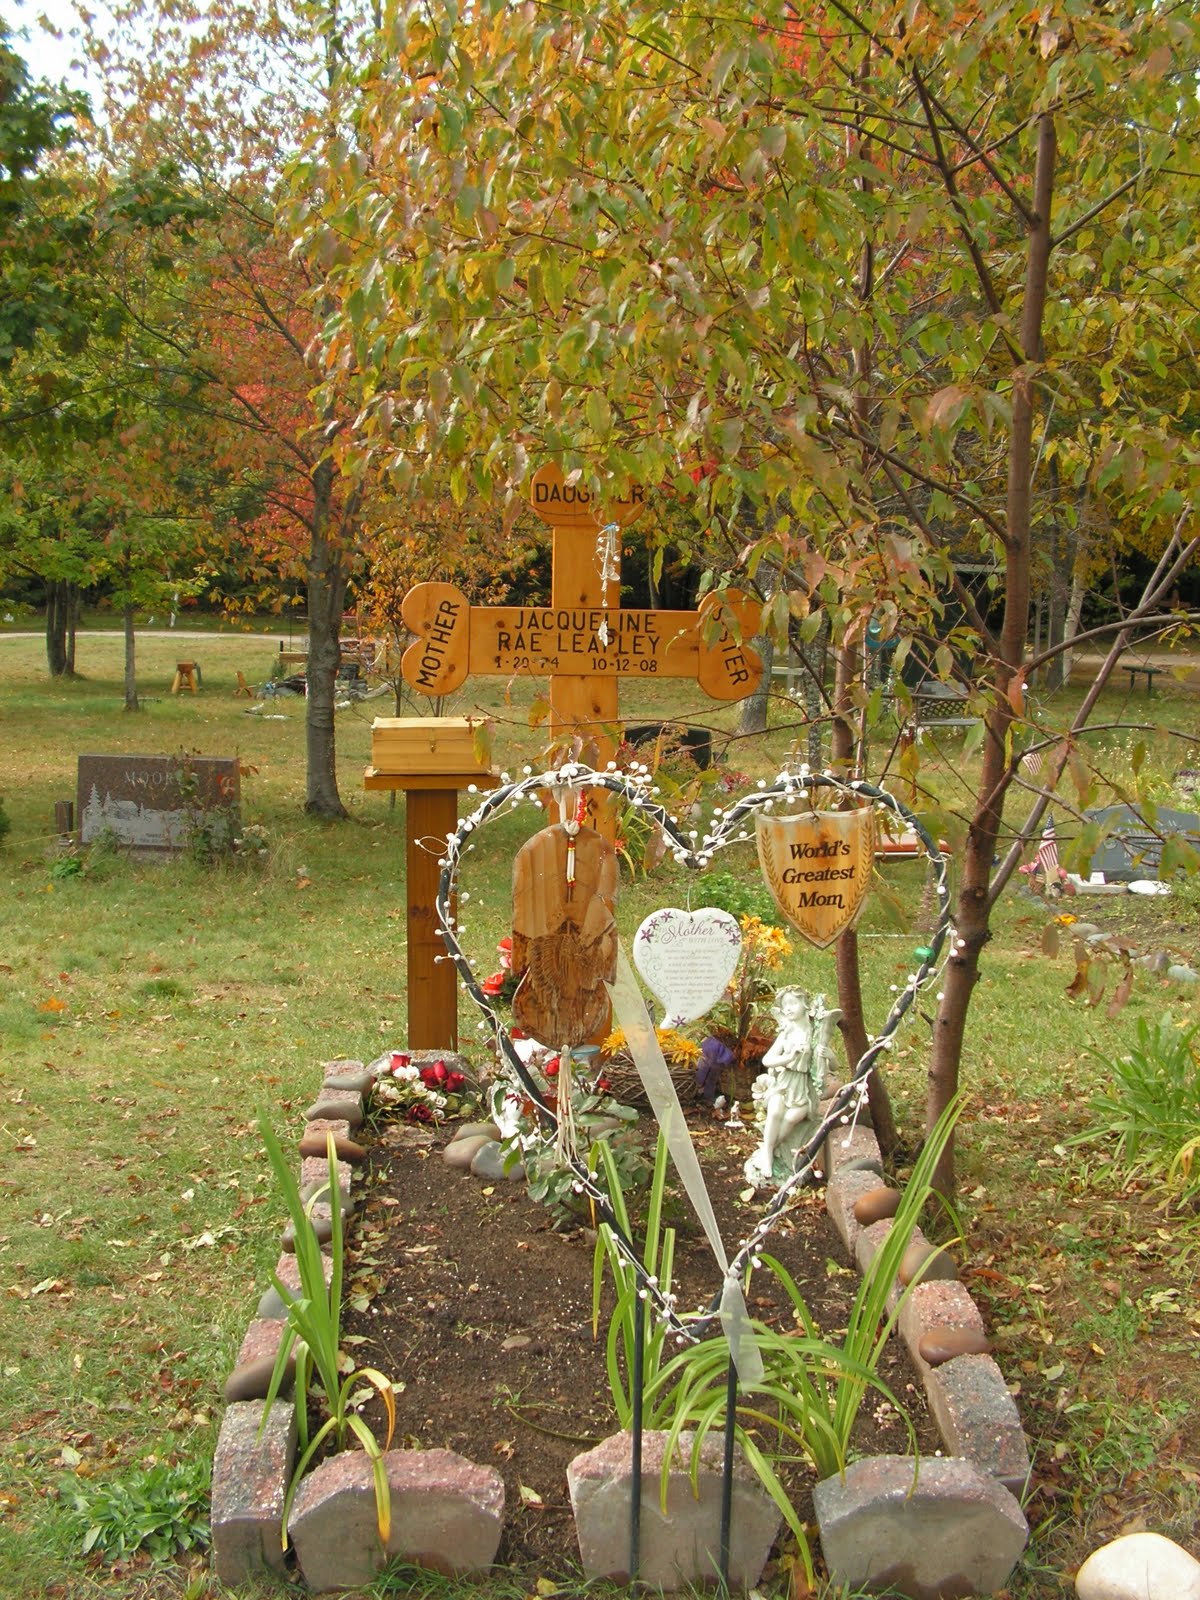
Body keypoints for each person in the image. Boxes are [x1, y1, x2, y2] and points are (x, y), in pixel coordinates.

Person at [745, 989, 842, 1187]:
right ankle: (768, 1157)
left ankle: (769, 1149)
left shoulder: (815, 1034)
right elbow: (768, 1059)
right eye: (784, 1005)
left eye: (792, 1003)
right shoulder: (787, 1033)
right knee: (775, 1112)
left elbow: (834, 1067)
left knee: (790, 1119)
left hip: (804, 1089)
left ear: (805, 1005)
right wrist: (789, 1057)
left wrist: (829, 1055)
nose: (787, 1009)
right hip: (783, 1084)